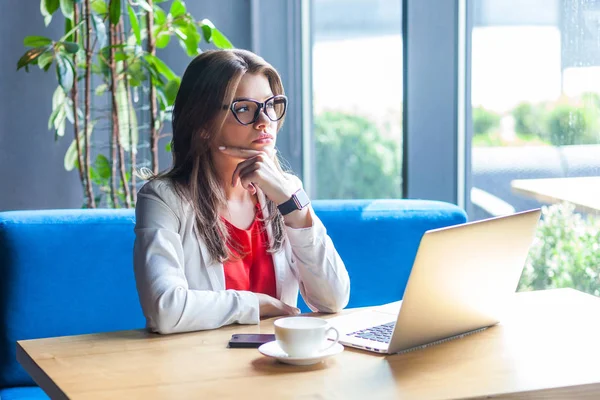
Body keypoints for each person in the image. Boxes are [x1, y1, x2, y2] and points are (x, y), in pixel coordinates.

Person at [133, 49, 350, 334]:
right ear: (203, 126)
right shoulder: (163, 198)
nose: (264, 121)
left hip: (278, 366)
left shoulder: (286, 192)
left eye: (271, 105)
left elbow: (334, 299)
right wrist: (252, 305)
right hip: (203, 368)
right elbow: (165, 310)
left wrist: (293, 207)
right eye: (245, 108)